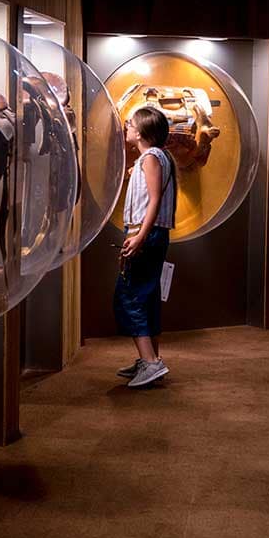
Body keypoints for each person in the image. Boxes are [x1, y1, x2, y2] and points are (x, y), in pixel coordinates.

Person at [113, 107, 177, 388]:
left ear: (140, 132)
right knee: (147, 295)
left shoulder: (151, 158)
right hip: (153, 234)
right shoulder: (156, 158)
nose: (126, 127)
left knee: (128, 296)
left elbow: (152, 201)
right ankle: (150, 360)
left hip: (145, 233)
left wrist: (139, 236)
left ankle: (151, 362)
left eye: (130, 124)